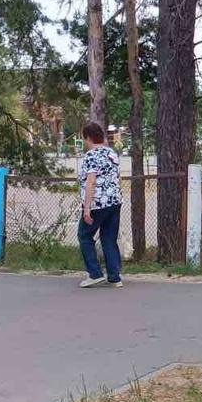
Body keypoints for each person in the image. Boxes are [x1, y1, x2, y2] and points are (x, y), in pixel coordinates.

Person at [77, 121, 123, 288]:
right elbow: (117, 177)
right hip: (114, 201)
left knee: (84, 235)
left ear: (88, 137)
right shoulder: (112, 153)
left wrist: (87, 208)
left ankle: (95, 273)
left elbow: (91, 182)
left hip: (98, 203)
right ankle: (114, 276)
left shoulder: (91, 155)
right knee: (109, 238)